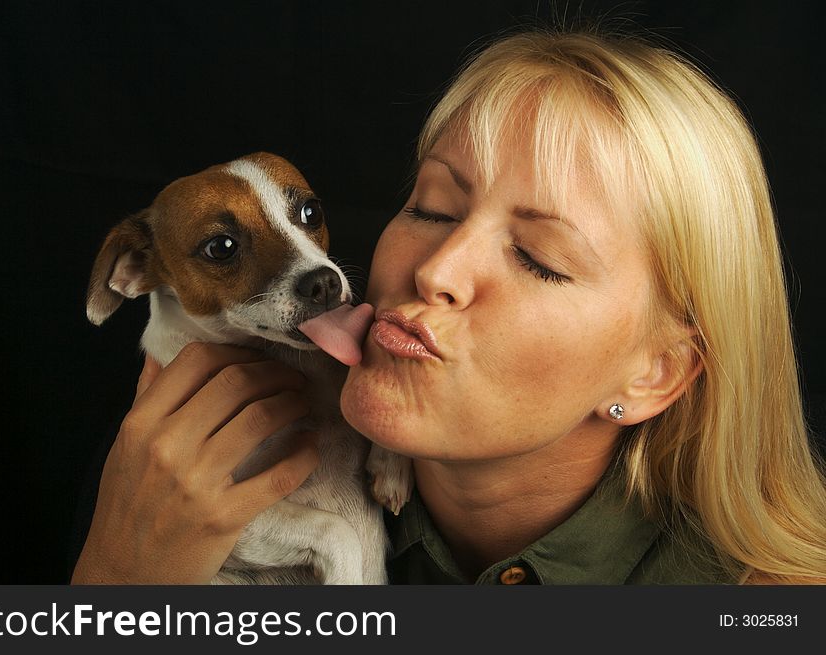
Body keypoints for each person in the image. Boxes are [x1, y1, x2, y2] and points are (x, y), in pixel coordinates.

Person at [72, 29, 826, 585]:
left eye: (538, 257)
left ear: (654, 374)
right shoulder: (173, 502)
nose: (436, 267)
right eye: (432, 208)